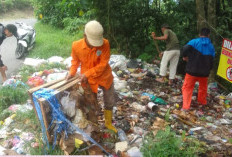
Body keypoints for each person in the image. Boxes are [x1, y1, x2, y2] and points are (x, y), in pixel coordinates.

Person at [66, 20, 117, 133]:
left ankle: (108, 123)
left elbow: (103, 64)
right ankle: (94, 124)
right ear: (85, 36)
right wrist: (71, 73)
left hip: (104, 76)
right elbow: (75, 62)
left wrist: (87, 74)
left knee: (109, 100)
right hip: (88, 80)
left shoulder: (105, 44)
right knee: (90, 102)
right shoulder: (76, 46)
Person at [181, 28, 215, 110]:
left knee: (187, 88)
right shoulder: (211, 46)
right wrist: (209, 70)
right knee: (203, 88)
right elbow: (212, 60)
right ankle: (202, 103)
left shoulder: (194, 42)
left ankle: (186, 107)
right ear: (208, 35)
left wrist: (185, 56)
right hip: (204, 73)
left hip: (192, 71)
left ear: (200, 34)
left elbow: (185, 48)